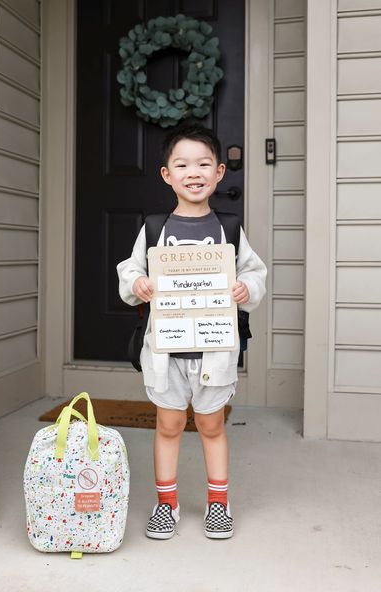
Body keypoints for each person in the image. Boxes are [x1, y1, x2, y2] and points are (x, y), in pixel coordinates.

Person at [116, 122, 267, 540]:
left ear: (219, 172)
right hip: (166, 353)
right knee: (167, 427)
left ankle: (218, 503)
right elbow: (131, 271)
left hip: (213, 354)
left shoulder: (229, 229)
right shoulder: (154, 228)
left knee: (211, 427)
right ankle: (167, 504)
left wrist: (245, 287)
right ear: (168, 175)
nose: (193, 172)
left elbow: (255, 273)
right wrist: (138, 284)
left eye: (203, 163)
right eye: (182, 164)